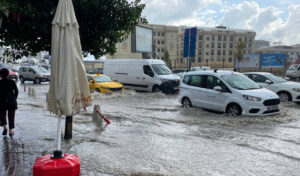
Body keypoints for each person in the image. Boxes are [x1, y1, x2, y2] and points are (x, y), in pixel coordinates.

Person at [0, 68, 18, 136]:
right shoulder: (12, 82)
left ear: (1, 75)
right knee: (11, 116)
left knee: (2, 115)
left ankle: (5, 128)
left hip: (2, 102)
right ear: (8, 74)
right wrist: (14, 98)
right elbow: (16, 91)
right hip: (11, 102)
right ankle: (10, 131)